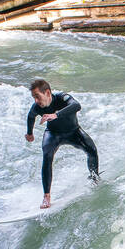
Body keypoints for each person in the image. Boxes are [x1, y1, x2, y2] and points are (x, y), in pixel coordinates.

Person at [25, 79, 99, 208]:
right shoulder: (37, 107)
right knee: (47, 157)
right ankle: (46, 197)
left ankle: (95, 179)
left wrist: (56, 115)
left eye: (37, 96)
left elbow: (77, 105)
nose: (36, 101)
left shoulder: (62, 98)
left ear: (47, 92)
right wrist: (29, 133)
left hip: (74, 132)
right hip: (53, 134)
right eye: (33, 97)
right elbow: (31, 116)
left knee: (92, 150)